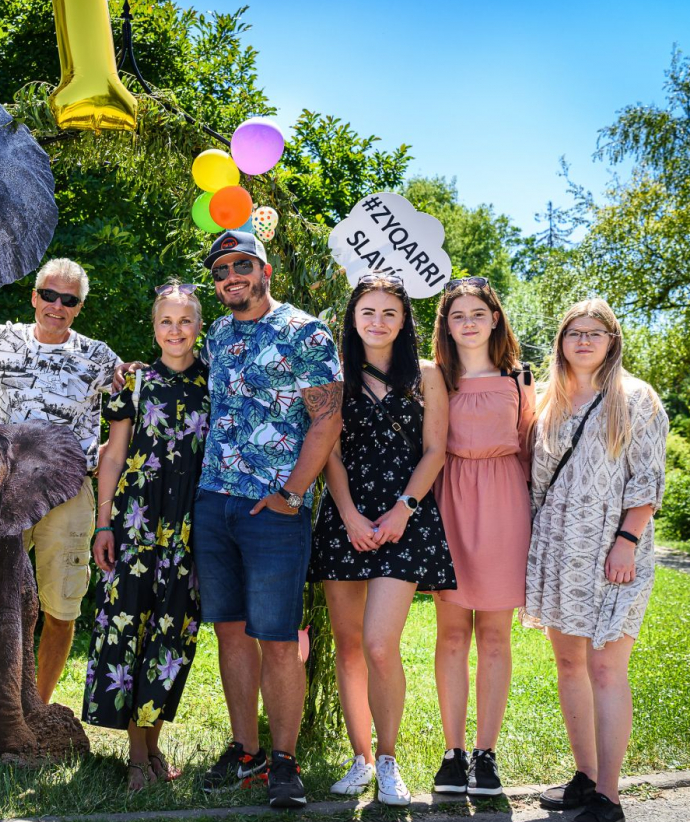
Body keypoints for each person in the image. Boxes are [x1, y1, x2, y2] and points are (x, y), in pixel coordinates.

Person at [192, 230, 343, 811]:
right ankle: (246, 751)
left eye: (241, 265)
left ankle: (285, 762)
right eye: (221, 269)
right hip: (214, 504)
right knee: (230, 631)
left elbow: (327, 420)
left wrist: (291, 494)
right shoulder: (218, 334)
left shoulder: (304, 332)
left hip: (274, 510)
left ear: (265, 270)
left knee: (277, 637)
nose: (231, 275)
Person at [307, 273, 454, 806]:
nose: (377, 321)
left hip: (404, 518)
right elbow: (331, 453)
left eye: (389, 313)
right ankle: (361, 759)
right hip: (348, 518)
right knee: (349, 648)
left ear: (404, 320)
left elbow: (435, 451)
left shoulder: (429, 376)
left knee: (378, 645)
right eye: (367, 311)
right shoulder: (334, 377)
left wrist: (402, 511)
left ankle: (389, 761)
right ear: (353, 318)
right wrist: (346, 514)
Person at [525, 299, 668, 822]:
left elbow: (647, 480)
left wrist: (627, 541)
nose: (583, 341)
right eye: (574, 333)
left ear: (612, 341)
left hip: (613, 551)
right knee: (569, 665)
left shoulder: (635, 398)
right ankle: (584, 778)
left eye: (595, 333)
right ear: (561, 341)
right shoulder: (548, 400)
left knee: (606, 668)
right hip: (559, 549)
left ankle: (609, 795)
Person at [0, 257, 121, 704]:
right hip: (4, 493)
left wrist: (109, 455)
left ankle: (38, 710)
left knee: (61, 609)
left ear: (78, 308)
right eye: (49, 295)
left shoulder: (99, 357)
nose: (57, 305)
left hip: (69, 493)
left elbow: (141, 405)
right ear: (34, 297)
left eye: (68, 300)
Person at [83, 281, 209, 791]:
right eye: (166, 321)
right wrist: (103, 522)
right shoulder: (131, 385)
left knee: (172, 637)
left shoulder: (217, 383)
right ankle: (136, 758)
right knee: (127, 632)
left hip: (191, 531)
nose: (175, 331)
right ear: (153, 326)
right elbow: (112, 456)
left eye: (185, 321)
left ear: (199, 327)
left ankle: (152, 746)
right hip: (136, 528)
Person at [428, 276, 535, 797]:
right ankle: (453, 754)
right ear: (445, 325)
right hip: (449, 500)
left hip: (504, 502)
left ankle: (486, 754)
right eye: (457, 315)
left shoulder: (521, 377)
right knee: (451, 634)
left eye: (477, 313)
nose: (467, 322)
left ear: (495, 318)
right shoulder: (435, 378)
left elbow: (531, 448)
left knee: (494, 635)